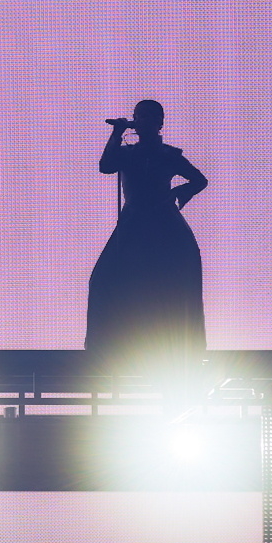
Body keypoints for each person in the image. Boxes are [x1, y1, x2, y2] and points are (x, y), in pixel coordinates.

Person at [85, 99, 208, 357]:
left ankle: (169, 344)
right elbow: (105, 166)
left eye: (147, 117)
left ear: (158, 123)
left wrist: (177, 192)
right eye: (138, 116)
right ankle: (107, 345)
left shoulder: (169, 155)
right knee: (102, 279)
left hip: (162, 222)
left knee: (169, 284)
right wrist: (117, 132)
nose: (141, 121)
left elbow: (199, 180)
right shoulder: (128, 154)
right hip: (133, 221)